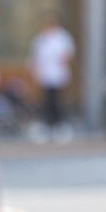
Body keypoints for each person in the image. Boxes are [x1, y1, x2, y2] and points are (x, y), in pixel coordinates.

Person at [29, 14, 75, 143]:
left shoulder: (62, 38)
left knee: (57, 101)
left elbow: (68, 55)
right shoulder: (40, 39)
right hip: (45, 75)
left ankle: (60, 125)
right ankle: (47, 125)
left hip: (58, 75)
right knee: (46, 101)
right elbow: (36, 58)